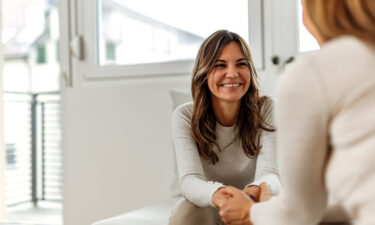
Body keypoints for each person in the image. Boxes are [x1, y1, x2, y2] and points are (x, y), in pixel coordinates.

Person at [217, 0, 375, 225]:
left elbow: (299, 214)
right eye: (220, 65)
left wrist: (249, 213)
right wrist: (272, 207)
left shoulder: (313, 73)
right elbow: (359, 201)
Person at [169, 30, 281, 225]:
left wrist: (251, 194)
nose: (232, 73)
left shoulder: (267, 109)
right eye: (220, 65)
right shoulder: (185, 116)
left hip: (254, 203)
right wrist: (219, 195)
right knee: (187, 211)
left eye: (241, 64)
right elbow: (189, 180)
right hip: (211, 204)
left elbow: (270, 174)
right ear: (204, 73)